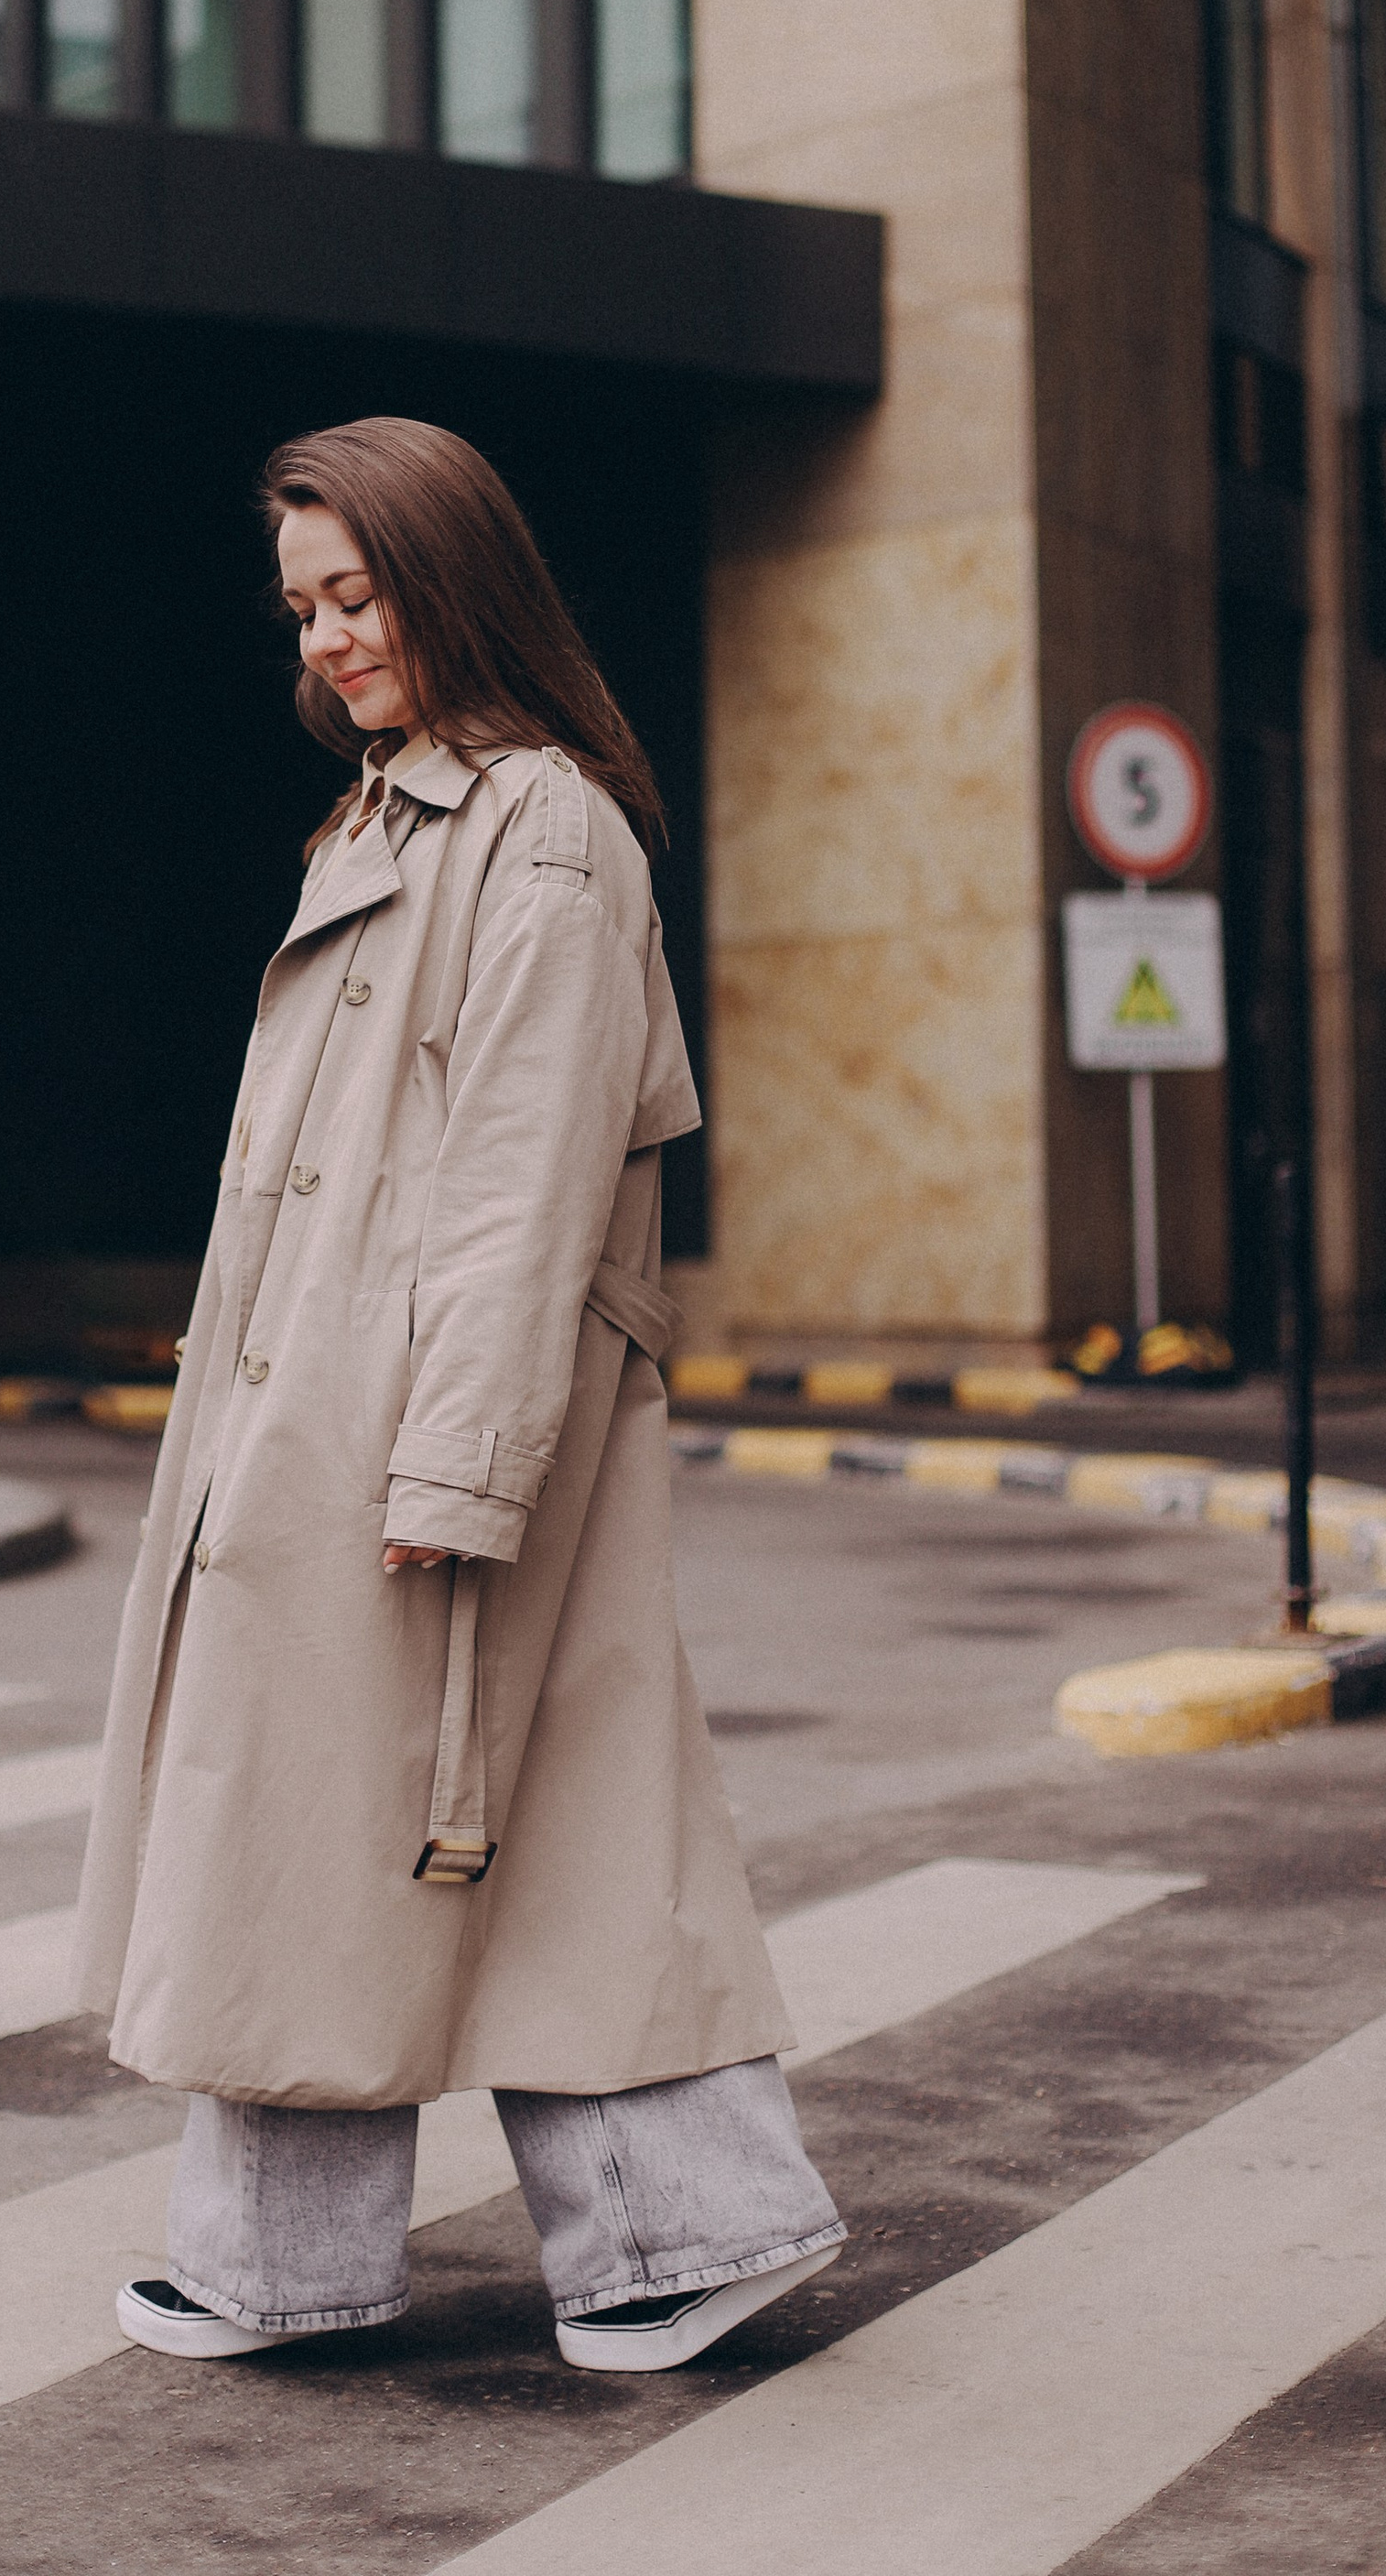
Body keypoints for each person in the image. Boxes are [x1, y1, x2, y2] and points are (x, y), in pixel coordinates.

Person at [74, 416, 844, 2374]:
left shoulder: (542, 829)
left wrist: (465, 1465)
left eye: (355, 594)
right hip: (322, 1407)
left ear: (453, 575)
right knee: (373, 1813)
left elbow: (521, 1173)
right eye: (303, 609)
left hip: (432, 1423)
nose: (327, 640)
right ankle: (351, 2253)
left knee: (456, 1804)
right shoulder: (381, 817)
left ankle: (649, 2229)